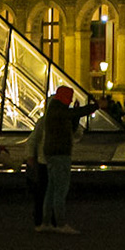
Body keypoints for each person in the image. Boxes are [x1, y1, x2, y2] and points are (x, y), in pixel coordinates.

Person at [33, 85, 92, 235]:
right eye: (69, 98)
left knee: (51, 189)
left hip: (53, 154)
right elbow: (72, 115)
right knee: (60, 190)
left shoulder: (55, 110)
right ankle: (60, 223)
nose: (70, 101)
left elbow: (72, 125)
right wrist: (95, 106)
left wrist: (77, 114)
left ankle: (46, 223)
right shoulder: (58, 109)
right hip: (59, 154)